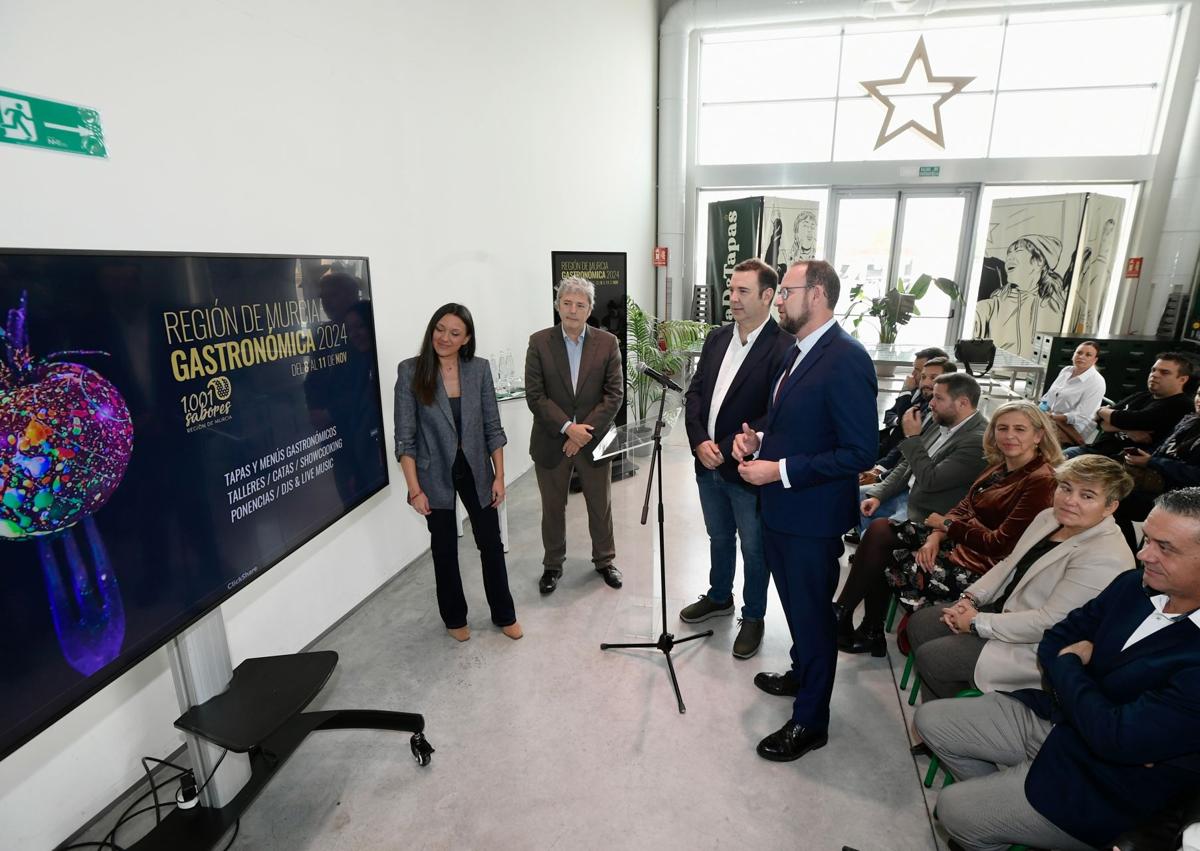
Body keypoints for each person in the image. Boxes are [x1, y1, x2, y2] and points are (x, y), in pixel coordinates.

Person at [914, 488, 1200, 851]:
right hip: (1062, 720)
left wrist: (1070, 666)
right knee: (932, 720)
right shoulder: (1135, 585)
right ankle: (1004, 809)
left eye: (1166, 547)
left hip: (1108, 781)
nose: (1143, 555)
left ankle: (995, 816)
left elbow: (1115, 739)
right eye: (1147, 540)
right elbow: (1057, 636)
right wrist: (1098, 703)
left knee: (953, 809)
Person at [730, 259, 877, 762]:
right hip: (783, 512)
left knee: (813, 618)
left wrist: (779, 470)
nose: (778, 300)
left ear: (815, 294)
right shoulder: (800, 351)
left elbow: (860, 452)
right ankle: (801, 673)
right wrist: (762, 438)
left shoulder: (846, 357)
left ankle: (811, 721)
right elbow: (804, 426)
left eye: (786, 290)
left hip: (811, 519)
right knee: (795, 608)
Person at [836, 401, 1061, 657]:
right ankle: (849, 617)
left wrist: (947, 526)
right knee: (881, 531)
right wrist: (935, 536)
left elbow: (1001, 545)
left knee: (886, 556)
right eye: (1003, 428)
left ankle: (864, 628)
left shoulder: (1041, 481)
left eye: (1020, 429)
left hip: (984, 567)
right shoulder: (1001, 465)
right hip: (960, 542)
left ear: (1039, 435)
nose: (1009, 436)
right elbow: (965, 505)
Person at [906, 455, 1135, 699]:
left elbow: (1049, 622)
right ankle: (950, 708)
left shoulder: (1105, 557)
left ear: (1110, 506)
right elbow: (1009, 564)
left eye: (1087, 496)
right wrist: (970, 599)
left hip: (1033, 647)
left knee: (934, 658)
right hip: (1004, 611)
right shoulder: (1049, 517)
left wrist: (975, 622)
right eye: (1065, 488)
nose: (1070, 501)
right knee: (921, 624)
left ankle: (961, 719)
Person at [680, 258, 794, 659]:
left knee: (754, 546)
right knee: (718, 536)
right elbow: (694, 394)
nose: (733, 298)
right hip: (705, 461)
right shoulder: (716, 338)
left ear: (768, 295)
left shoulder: (784, 348)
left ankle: (755, 615)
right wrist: (698, 441)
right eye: (731, 290)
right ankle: (718, 595)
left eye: (743, 291)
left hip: (744, 468)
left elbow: (776, 412)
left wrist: (726, 445)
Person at [394, 303, 520, 642]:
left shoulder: (478, 370)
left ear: (466, 339)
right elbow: (405, 438)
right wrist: (414, 490)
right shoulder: (410, 371)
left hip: (477, 468)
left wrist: (499, 475)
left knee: (491, 543)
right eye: (440, 329)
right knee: (444, 548)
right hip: (432, 472)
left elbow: (493, 427)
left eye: (454, 333)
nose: (444, 337)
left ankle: (504, 614)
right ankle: (454, 618)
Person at [525, 276, 624, 594]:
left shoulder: (608, 343)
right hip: (552, 440)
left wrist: (583, 433)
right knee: (553, 507)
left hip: (594, 441)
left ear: (590, 308)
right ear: (557, 306)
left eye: (580, 304)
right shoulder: (539, 342)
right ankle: (552, 564)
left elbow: (614, 394)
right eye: (567, 303)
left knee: (600, 504)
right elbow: (535, 395)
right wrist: (568, 428)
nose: (572, 309)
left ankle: (605, 560)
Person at [852, 371, 987, 540]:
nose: (931, 403)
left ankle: (870, 550)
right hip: (905, 493)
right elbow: (908, 464)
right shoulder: (945, 420)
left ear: (963, 403)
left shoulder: (977, 441)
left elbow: (930, 481)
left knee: (874, 536)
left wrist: (913, 438)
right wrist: (879, 495)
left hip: (925, 508)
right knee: (850, 496)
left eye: (938, 398)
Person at [1117, 385, 1200, 551]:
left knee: (1116, 501)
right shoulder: (1190, 420)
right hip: (1158, 483)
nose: (1199, 400)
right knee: (1109, 489)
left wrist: (1151, 462)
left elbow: (1196, 476)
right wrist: (1143, 456)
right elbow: (1162, 449)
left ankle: (1127, 553)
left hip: (1182, 498)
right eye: (1198, 394)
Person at [1070, 352, 1194, 460]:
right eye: (1153, 370)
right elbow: (1098, 419)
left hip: (1120, 461)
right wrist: (1127, 429)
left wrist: (1105, 413)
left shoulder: (1181, 405)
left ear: (1182, 379)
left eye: (1164, 372)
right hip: (1095, 451)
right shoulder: (1141, 396)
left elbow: (1138, 419)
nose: (1155, 375)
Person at [973, 235, 1066, 359]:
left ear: (1039, 261)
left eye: (1018, 251)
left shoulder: (1057, 307)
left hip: (1038, 377)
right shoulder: (990, 306)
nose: (1010, 257)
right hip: (998, 376)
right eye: (1009, 253)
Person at [873, 346, 950, 464]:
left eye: (917, 370)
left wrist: (905, 391)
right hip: (884, 442)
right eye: (922, 375)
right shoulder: (916, 390)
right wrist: (899, 421)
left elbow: (906, 430)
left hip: (895, 455)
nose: (913, 374)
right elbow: (889, 413)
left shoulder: (929, 399)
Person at [1039, 340, 1106, 447]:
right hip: (1051, 418)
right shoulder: (1067, 371)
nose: (1081, 357)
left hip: (1073, 427)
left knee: (1033, 436)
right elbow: (1048, 397)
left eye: (1088, 355)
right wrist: (1040, 409)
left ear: (1095, 360)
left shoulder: (1097, 381)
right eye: (1079, 353)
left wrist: (1052, 417)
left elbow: (1081, 416)